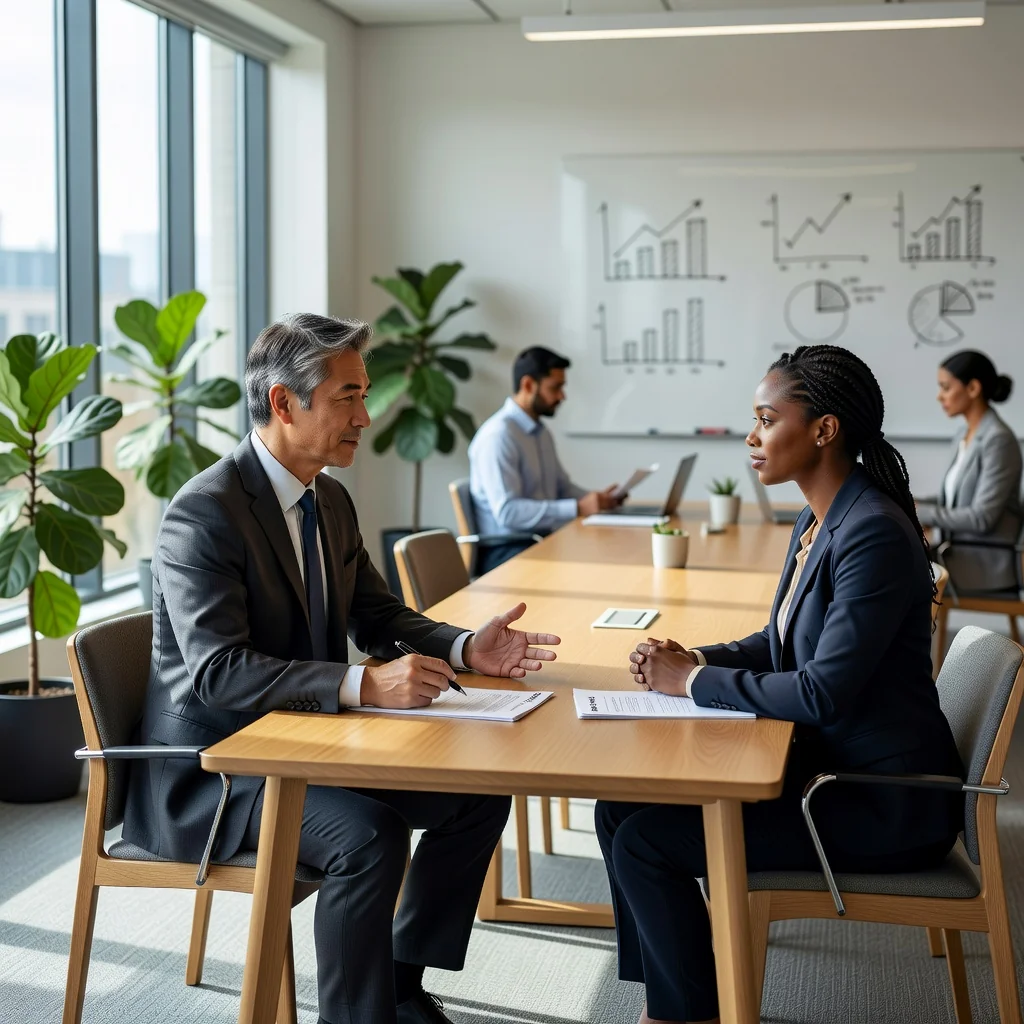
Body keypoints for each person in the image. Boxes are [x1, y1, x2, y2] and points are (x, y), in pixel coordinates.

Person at [123, 313, 562, 1024]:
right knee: (369, 835)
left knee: (477, 793)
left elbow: (378, 615)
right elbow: (218, 675)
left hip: (304, 745)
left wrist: (463, 648)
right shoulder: (204, 513)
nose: (366, 414)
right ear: (283, 403)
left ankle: (396, 985)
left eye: (363, 394)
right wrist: (365, 684)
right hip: (214, 770)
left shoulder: (328, 497)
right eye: (347, 398)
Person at [596, 345, 965, 1024]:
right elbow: (781, 642)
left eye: (767, 418)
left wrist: (697, 681)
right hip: (833, 767)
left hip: (881, 802)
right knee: (618, 808)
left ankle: (685, 1013)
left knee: (645, 842)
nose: (751, 436)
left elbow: (823, 690)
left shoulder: (872, 533)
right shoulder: (820, 517)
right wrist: (691, 658)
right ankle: (675, 999)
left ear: (823, 430)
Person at [468, 346, 622, 573]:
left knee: (609, 555)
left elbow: (561, 487)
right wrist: (578, 507)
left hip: (540, 541)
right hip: (507, 553)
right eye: (555, 387)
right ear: (528, 385)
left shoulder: (541, 432)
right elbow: (508, 513)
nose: (562, 396)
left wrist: (596, 500)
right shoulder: (499, 436)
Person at [917, 350, 1022, 593]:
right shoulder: (963, 436)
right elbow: (951, 501)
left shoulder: (999, 440)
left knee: (894, 567)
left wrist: (921, 512)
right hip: (954, 551)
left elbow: (982, 518)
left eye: (945, 387)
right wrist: (912, 503)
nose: (939, 396)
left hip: (981, 563)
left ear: (973, 388)